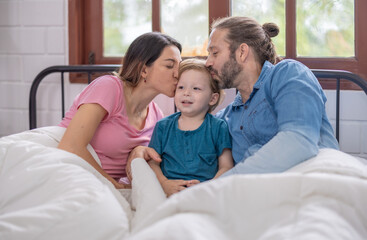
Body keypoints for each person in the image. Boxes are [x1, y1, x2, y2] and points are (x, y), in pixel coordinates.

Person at [205, 16, 339, 176]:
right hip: (262, 195)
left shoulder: (288, 74)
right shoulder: (227, 118)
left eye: (214, 53)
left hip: (312, 183)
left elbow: (299, 141)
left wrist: (225, 182)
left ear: (242, 52)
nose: (208, 62)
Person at [57, 32, 182, 189]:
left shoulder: (157, 116)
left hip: (109, 185)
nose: (178, 74)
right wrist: (115, 186)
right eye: (169, 66)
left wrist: (140, 150)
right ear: (143, 70)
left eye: (180, 66)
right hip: (73, 172)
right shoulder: (109, 87)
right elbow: (70, 146)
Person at [147, 58, 233, 196]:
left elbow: (226, 166)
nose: (186, 93)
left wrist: (209, 187)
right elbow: (153, 163)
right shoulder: (163, 126)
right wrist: (164, 184)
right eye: (181, 87)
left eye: (196, 88)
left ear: (212, 98)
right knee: (139, 166)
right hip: (169, 192)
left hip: (205, 193)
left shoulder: (218, 127)